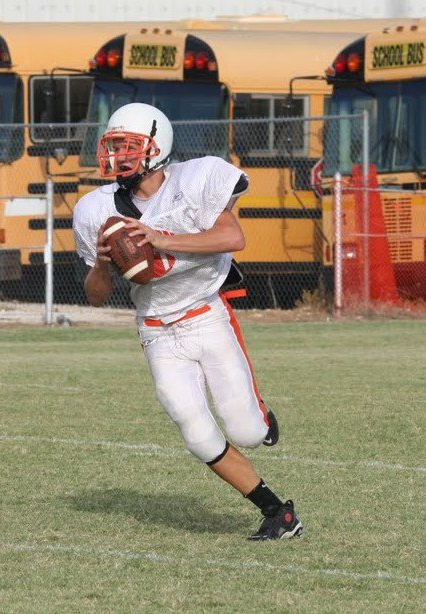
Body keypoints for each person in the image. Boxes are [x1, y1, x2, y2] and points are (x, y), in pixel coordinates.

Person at [73, 103, 302, 540]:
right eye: (114, 147)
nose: (118, 157)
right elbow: (96, 297)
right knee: (195, 433)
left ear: (157, 148)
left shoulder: (195, 180)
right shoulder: (94, 209)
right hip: (156, 329)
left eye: (129, 147)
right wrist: (102, 265)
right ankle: (278, 513)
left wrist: (161, 238)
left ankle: (264, 420)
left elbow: (234, 237)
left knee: (246, 432)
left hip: (205, 316)